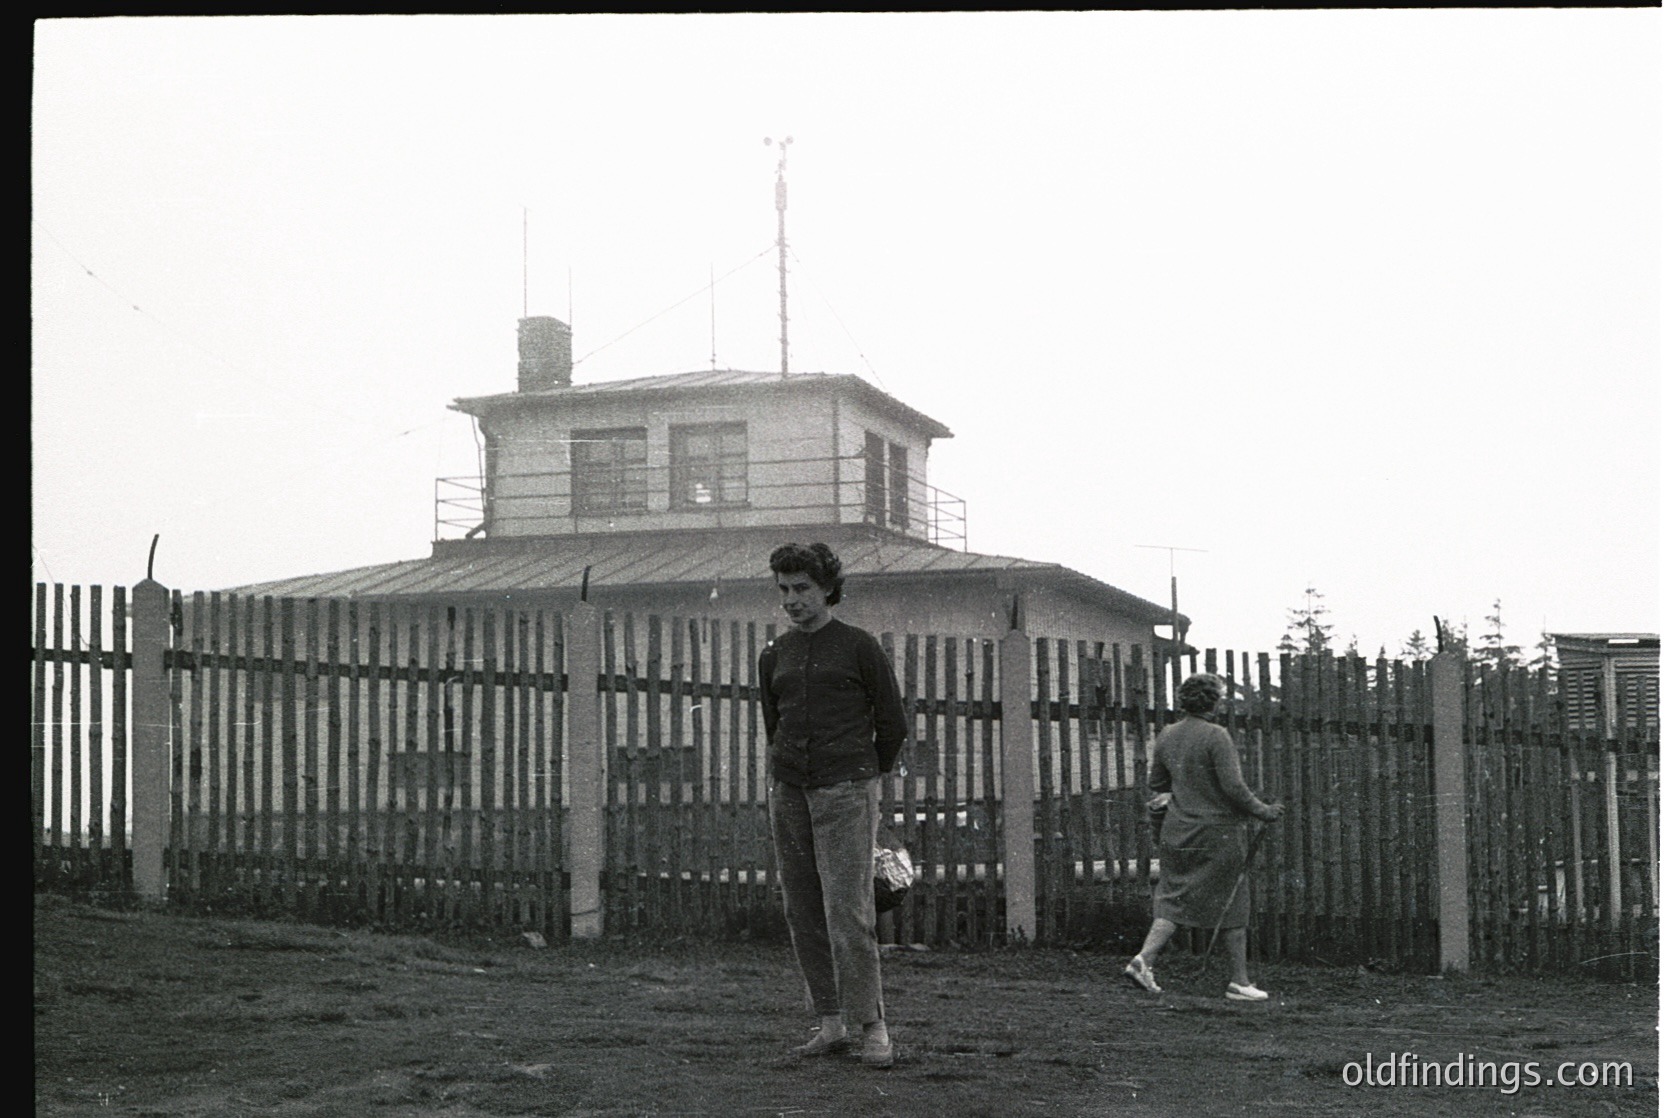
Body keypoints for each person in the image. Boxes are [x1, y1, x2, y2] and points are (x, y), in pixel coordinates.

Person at [760, 542, 907, 1068]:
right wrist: (787, 776)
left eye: (802, 589)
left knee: (849, 911)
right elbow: (774, 723)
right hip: (791, 791)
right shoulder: (775, 654)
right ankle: (829, 1023)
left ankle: (873, 1027)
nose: (792, 600)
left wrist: (863, 778)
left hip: (846, 790)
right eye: (784, 590)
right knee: (802, 909)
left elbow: (892, 724)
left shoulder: (859, 646)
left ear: (827, 589)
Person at [1123, 672, 1285, 1002]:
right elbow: (1234, 788)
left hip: (1177, 830)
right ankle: (1239, 982)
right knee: (1234, 902)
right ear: (1213, 702)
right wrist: (1264, 810)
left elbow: (1157, 784)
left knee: (1173, 897)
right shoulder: (1216, 736)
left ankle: (1144, 959)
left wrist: (1186, 790)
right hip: (1217, 834)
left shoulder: (1167, 734)